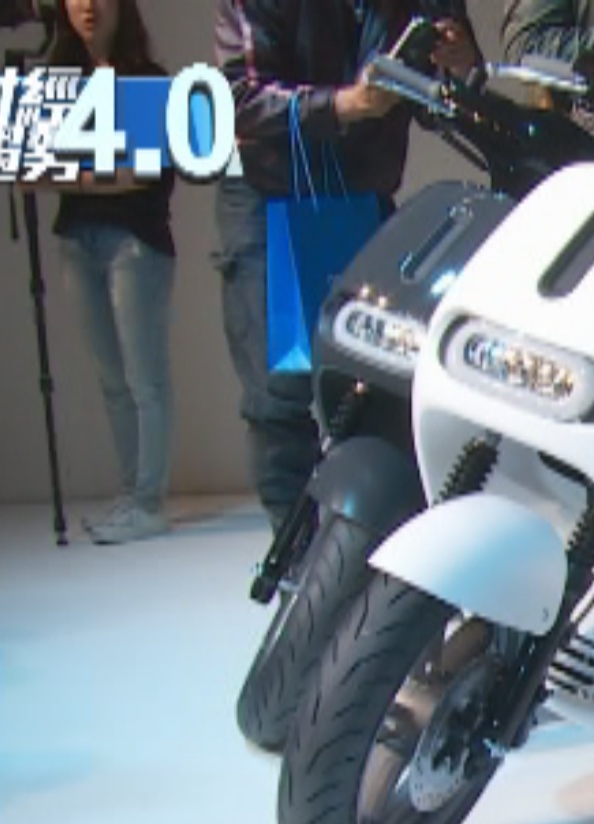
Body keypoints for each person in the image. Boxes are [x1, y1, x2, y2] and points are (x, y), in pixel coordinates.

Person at [213, 0, 482, 536]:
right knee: (280, 396)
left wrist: (463, 69)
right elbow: (237, 99)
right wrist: (344, 105)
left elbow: (441, 106)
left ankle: (364, 550)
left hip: (362, 193)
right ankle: (298, 560)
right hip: (272, 195)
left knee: (381, 384)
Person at [29, 0, 178, 544]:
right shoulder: (59, 81)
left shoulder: (147, 81)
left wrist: (67, 174)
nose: (87, 6)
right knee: (112, 380)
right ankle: (131, 493)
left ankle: (148, 502)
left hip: (134, 243)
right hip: (77, 239)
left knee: (144, 378)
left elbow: (144, 172)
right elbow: (34, 163)